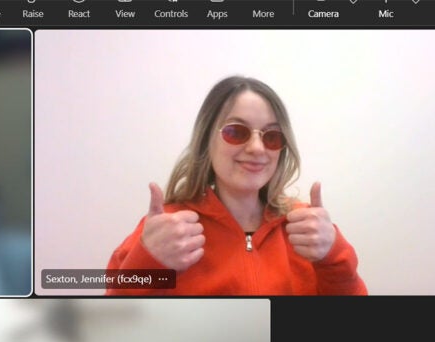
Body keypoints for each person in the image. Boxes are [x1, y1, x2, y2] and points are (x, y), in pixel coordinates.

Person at [106, 75, 367, 296]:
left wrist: (334, 257)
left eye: (272, 136)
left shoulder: (309, 230)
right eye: (236, 132)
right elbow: (110, 335)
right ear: (207, 139)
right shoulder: (165, 231)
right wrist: (148, 263)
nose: (257, 148)